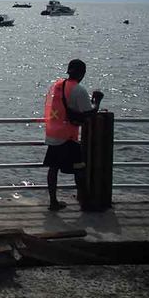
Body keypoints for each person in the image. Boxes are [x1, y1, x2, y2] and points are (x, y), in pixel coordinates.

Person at [43, 59, 104, 211]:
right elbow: (89, 113)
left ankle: (53, 202)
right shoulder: (78, 90)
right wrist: (97, 102)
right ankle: (85, 202)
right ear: (82, 73)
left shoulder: (57, 85)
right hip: (68, 136)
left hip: (53, 133)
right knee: (79, 169)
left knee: (53, 168)